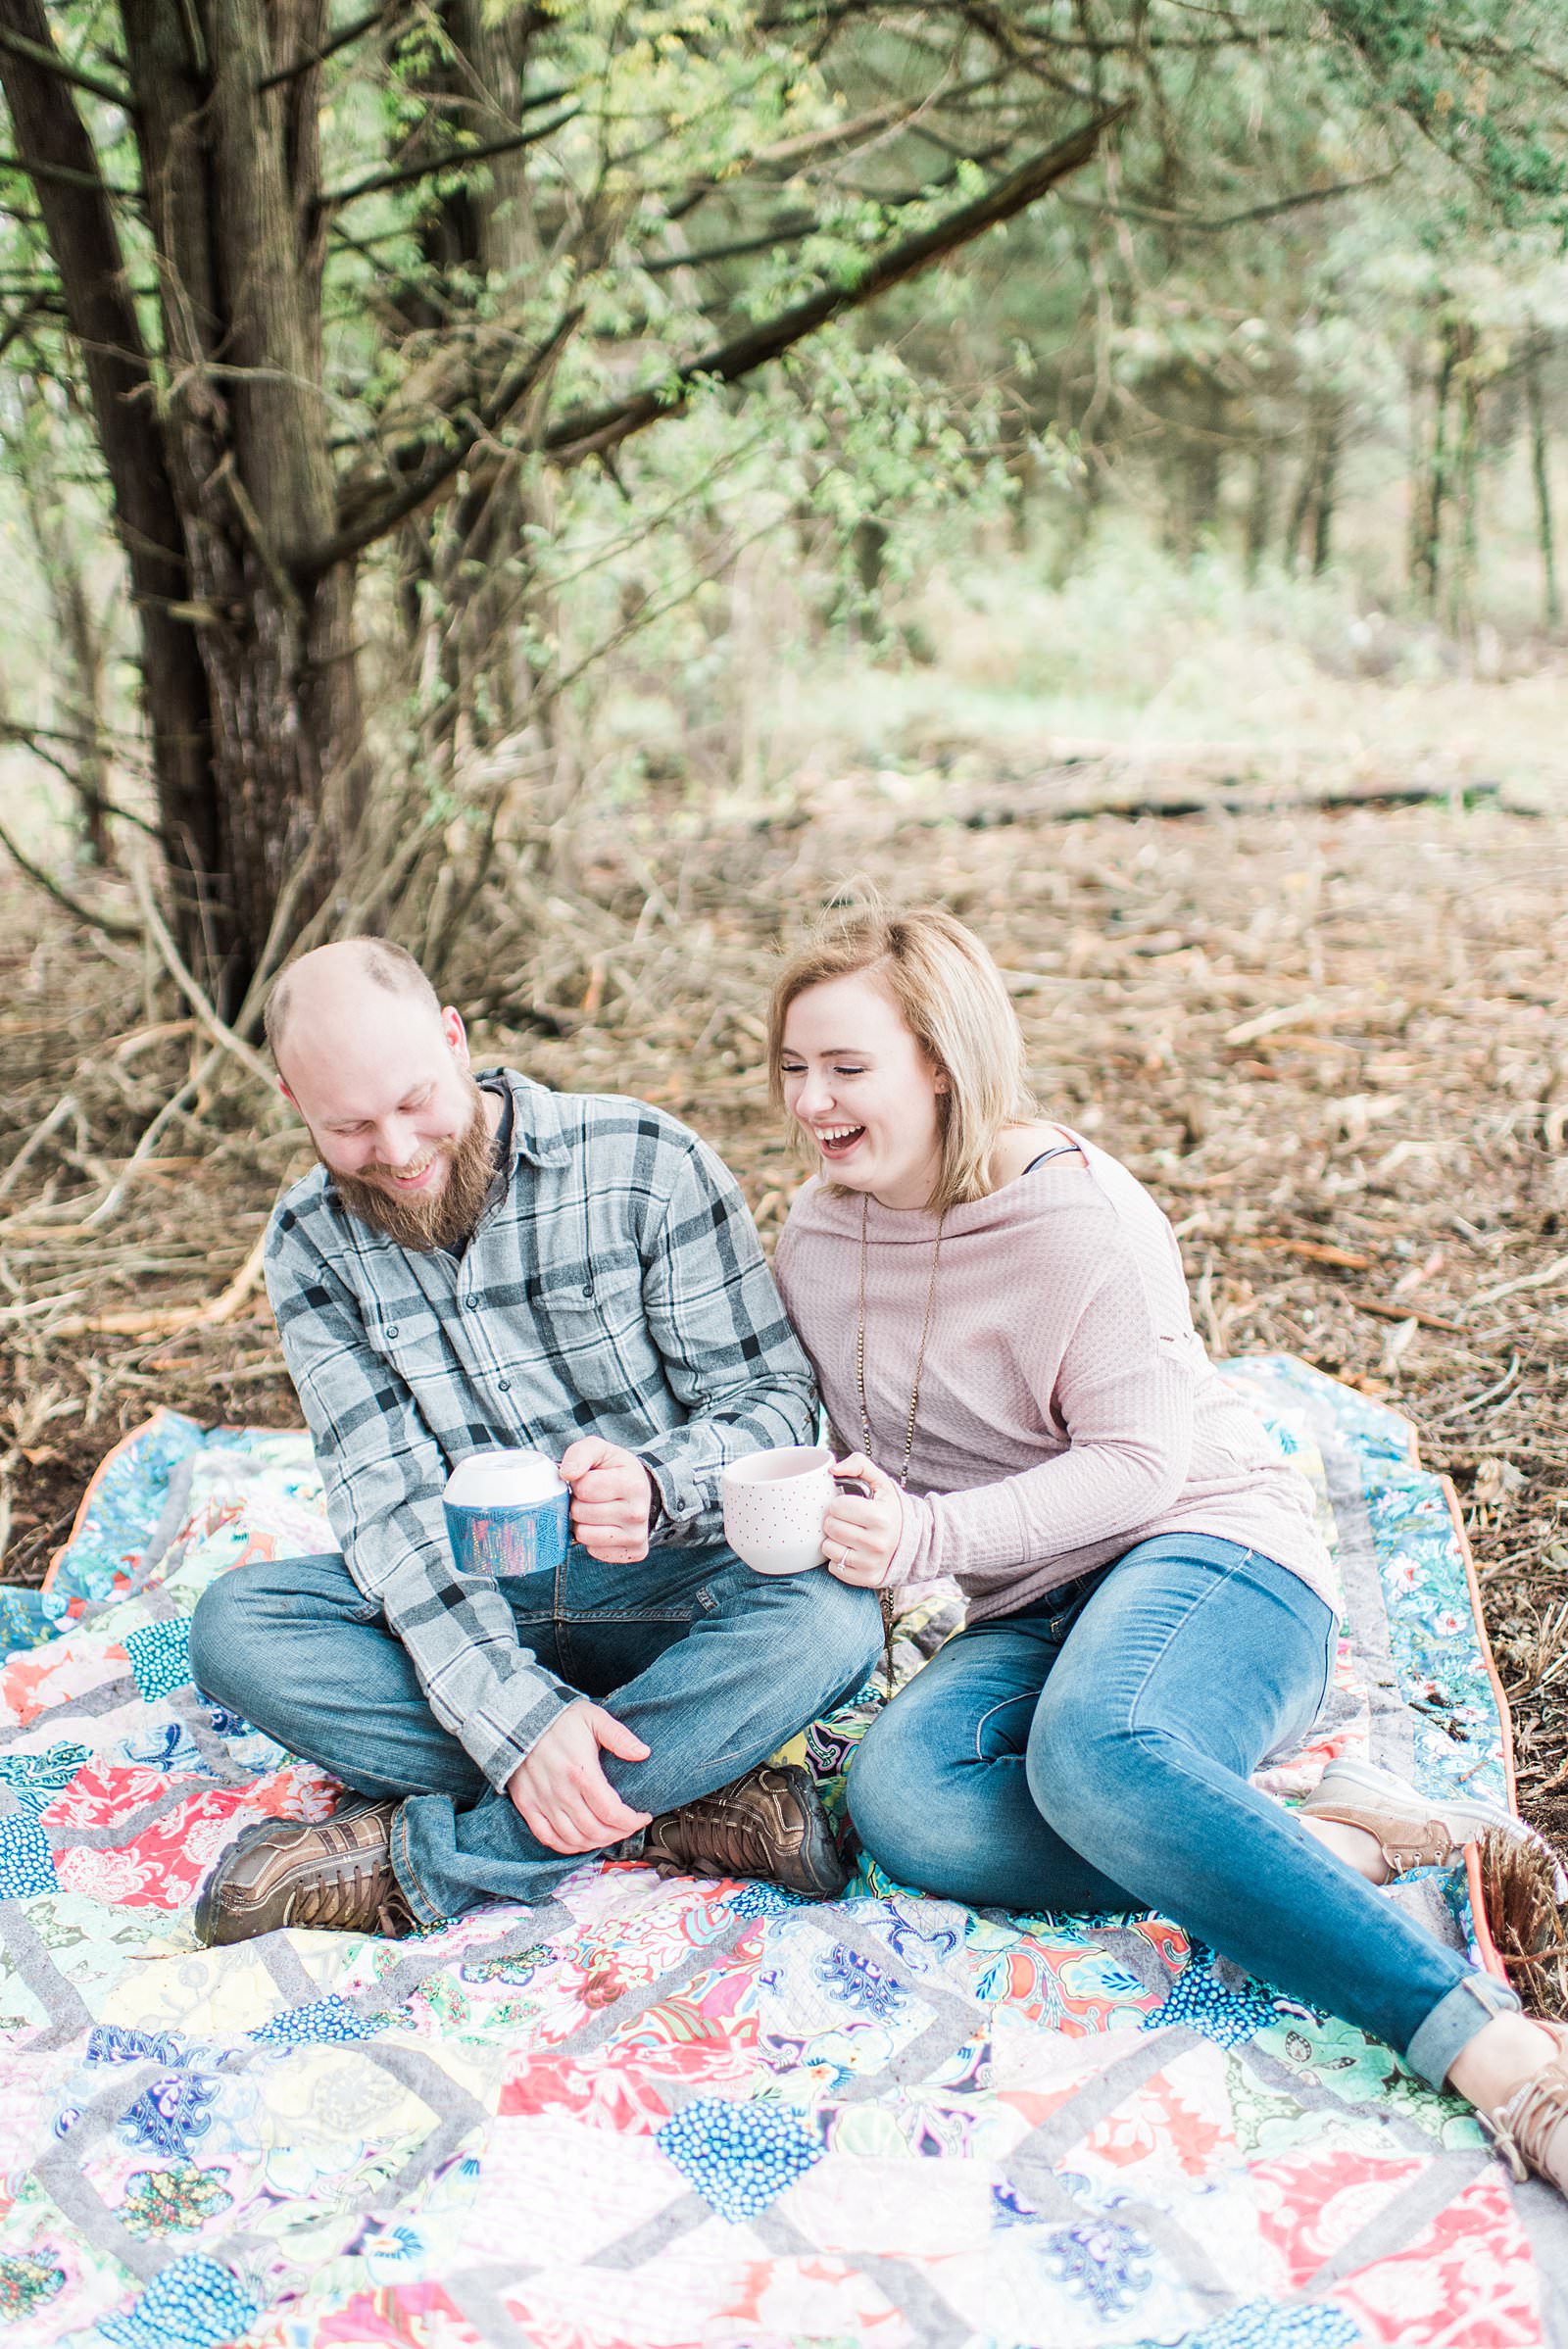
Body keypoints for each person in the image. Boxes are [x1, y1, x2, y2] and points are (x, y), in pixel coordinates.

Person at [764, 905, 1568, 2199]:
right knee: (904, 1802)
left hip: (1209, 1552)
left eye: (845, 1068)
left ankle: (1497, 2050)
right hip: (1035, 1604)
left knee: (1094, 1753)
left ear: (941, 1061)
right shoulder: (818, 1238)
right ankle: (1328, 1837)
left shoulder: (1078, 1219)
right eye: (791, 1068)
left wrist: (926, 1534)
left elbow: (1136, 1465)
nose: (810, 1101)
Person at [189, 939, 882, 1944]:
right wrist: (517, 1722)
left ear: (454, 1038)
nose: (397, 1148)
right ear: (295, 1099)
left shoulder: (645, 1161)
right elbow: (386, 1508)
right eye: (349, 1125)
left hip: (669, 1587)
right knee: (237, 1630)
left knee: (830, 1618)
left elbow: (775, 1402)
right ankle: (677, 1793)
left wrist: (658, 1483)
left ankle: (425, 1865)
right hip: (476, 1604)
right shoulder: (309, 1243)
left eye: (415, 1100)